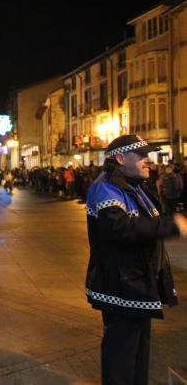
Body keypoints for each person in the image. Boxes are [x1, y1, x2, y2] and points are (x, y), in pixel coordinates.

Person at [85, 135, 187, 385]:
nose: (147, 160)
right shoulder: (106, 186)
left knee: (138, 353)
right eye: (141, 155)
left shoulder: (133, 185)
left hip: (136, 282)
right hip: (120, 284)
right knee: (122, 355)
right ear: (121, 158)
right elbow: (119, 227)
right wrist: (170, 225)